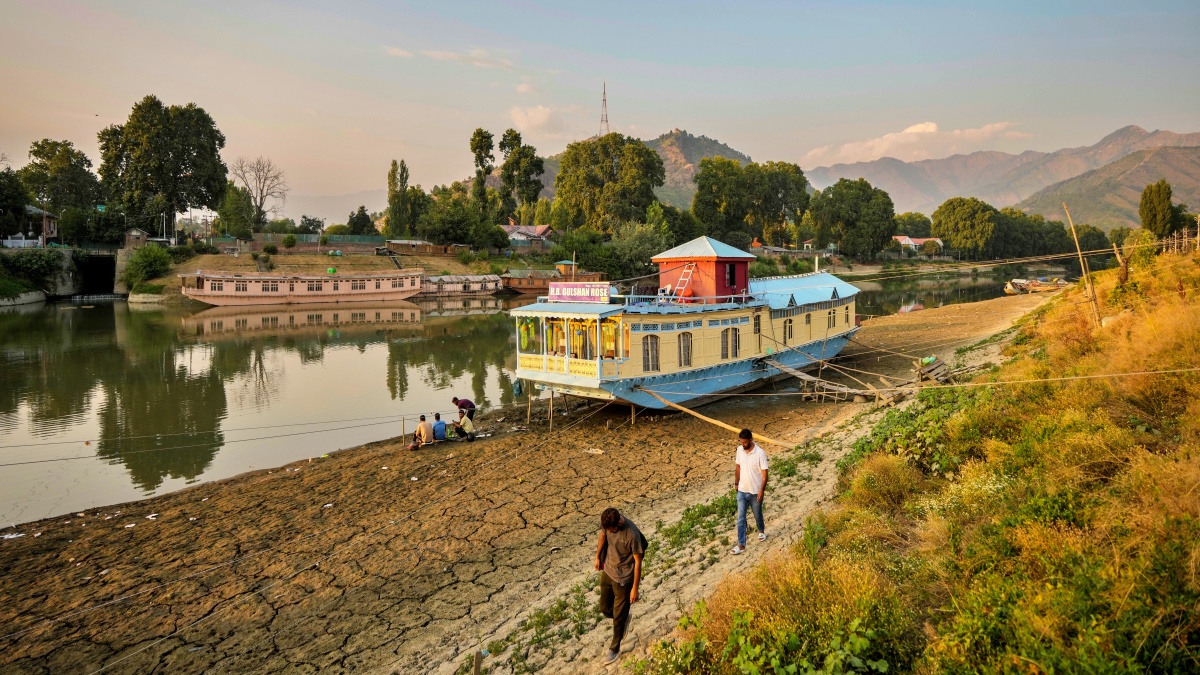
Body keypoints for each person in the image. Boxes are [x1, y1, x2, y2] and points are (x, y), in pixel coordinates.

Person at [594, 507, 645, 664]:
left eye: (612, 529)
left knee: (618, 618)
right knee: (604, 608)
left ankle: (614, 649)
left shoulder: (632, 534)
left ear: (618, 523)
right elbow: (603, 536)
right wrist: (598, 557)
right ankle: (623, 618)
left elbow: (638, 562)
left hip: (624, 578)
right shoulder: (608, 522)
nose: (610, 531)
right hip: (608, 571)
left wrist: (635, 589)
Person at [730, 428, 768, 555]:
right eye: (741, 442)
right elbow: (738, 467)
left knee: (757, 514)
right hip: (742, 490)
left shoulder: (760, 453)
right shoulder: (740, 450)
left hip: (755, 491)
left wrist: (761, 490)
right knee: (741, 518)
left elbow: (764, 473)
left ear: (751, 440)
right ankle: (741, 545)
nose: (743, 445)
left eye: (745, 442)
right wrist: (736, 483)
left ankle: (761, 530)